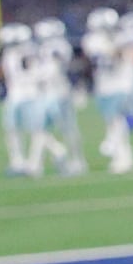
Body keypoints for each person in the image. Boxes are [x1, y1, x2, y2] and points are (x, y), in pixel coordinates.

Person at [85, 5, 133, 175]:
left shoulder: (117, 37)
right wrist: (123, 43)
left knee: (118, 122)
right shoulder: (94, 41)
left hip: (120, 85)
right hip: (107, 85)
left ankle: (122, 156)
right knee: (114, 123)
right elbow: (112, 54)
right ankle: (119, 153)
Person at [31, 17, 85, 175]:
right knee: (62, 129)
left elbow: (59, 70)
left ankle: (72, 159)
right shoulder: (59, 46)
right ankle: (39, 163)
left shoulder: (56, 48)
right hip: (57, 92)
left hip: (55, 93)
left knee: (55, 128)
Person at [0, 23, 39, 174]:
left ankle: (24, 162)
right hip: (30, 94)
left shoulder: (12, 54)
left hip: (18, 95)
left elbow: (4, 75)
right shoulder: (32, 50)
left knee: (16, 130)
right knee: (31, 130)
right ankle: (25, 162)